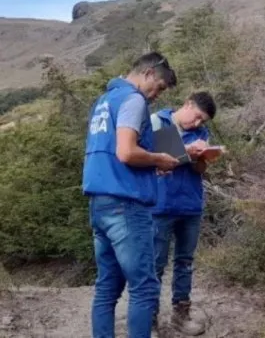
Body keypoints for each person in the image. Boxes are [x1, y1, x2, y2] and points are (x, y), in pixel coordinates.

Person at [82, 52, 180, 338]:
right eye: (159, 87)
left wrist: (151, 164)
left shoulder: (103, 101)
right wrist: (160, 159)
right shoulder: (133, 99)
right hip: (125, 206)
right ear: (149, 73)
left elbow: (113, 154)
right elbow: (126, 152)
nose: (156, 96)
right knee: (145, 287)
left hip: (100, 204)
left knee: (107, 287)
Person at [150, 91, 217, 336]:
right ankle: (151, 318)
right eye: (197, 117)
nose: (197, 124)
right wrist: (188, 151)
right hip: (161, 205)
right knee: (155, 264)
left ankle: (181, 314)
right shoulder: (159, 121)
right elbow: (166, 159)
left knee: (185, 262)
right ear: (187, 104)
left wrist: (204, 155)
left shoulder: (201, 133)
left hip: (191, 204)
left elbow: (199, 169)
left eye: (203, 122)